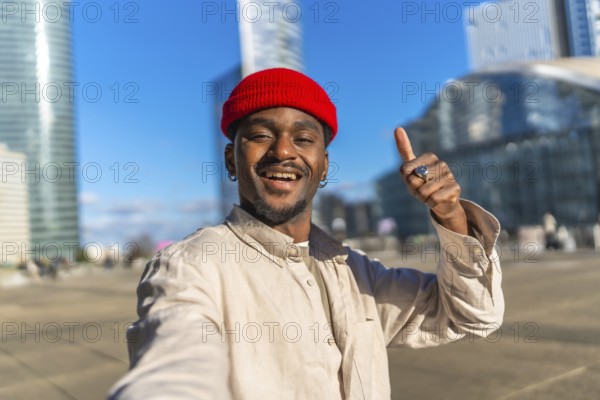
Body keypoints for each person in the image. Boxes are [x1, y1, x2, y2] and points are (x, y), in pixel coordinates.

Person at [109, 68, 504, 399]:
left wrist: (451, 215)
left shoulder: (355, 273)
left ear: (324, 165)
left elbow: (472, 318)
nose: (283, 151)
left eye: (303, 138)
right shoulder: (192, 267)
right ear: (231, 159)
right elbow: (175, 365)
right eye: (261, 135)